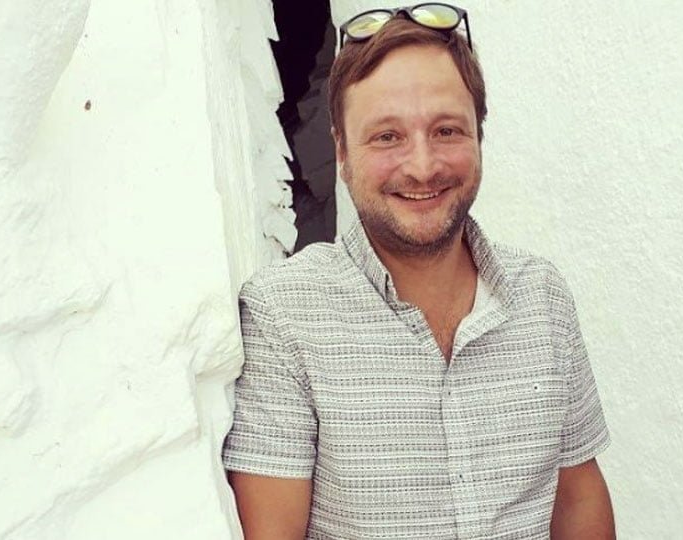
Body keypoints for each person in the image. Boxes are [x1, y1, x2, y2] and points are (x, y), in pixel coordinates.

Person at [223, 5, 614, 539]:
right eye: (387, 136)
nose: (423, 165)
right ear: (341, 150)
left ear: (480, 134)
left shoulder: (542, 296)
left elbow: (579, 496)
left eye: (447, 130)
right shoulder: (284, 315)